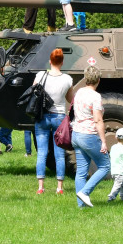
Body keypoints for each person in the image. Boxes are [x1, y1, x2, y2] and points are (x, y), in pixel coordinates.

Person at [34, 48, 73, 195]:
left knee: (42, 152)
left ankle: (40, 187)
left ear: (50, 61)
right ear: (62, 62)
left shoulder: (40, 75)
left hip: (43, 116)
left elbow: (33, 91)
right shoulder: (67, 79)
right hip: (59, 117)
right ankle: (59, 187)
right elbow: (70, 99)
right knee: (59, 154)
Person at [71, 66, 110, 208]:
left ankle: (81, 206)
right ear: (98, 80)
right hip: (88, 135)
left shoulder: (79, 92)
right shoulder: (96, 96)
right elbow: (98, 120)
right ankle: (85, 192)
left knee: (81, 171)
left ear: (85, 78)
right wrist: (104, 142)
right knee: (105, 166)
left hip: (75, 134)